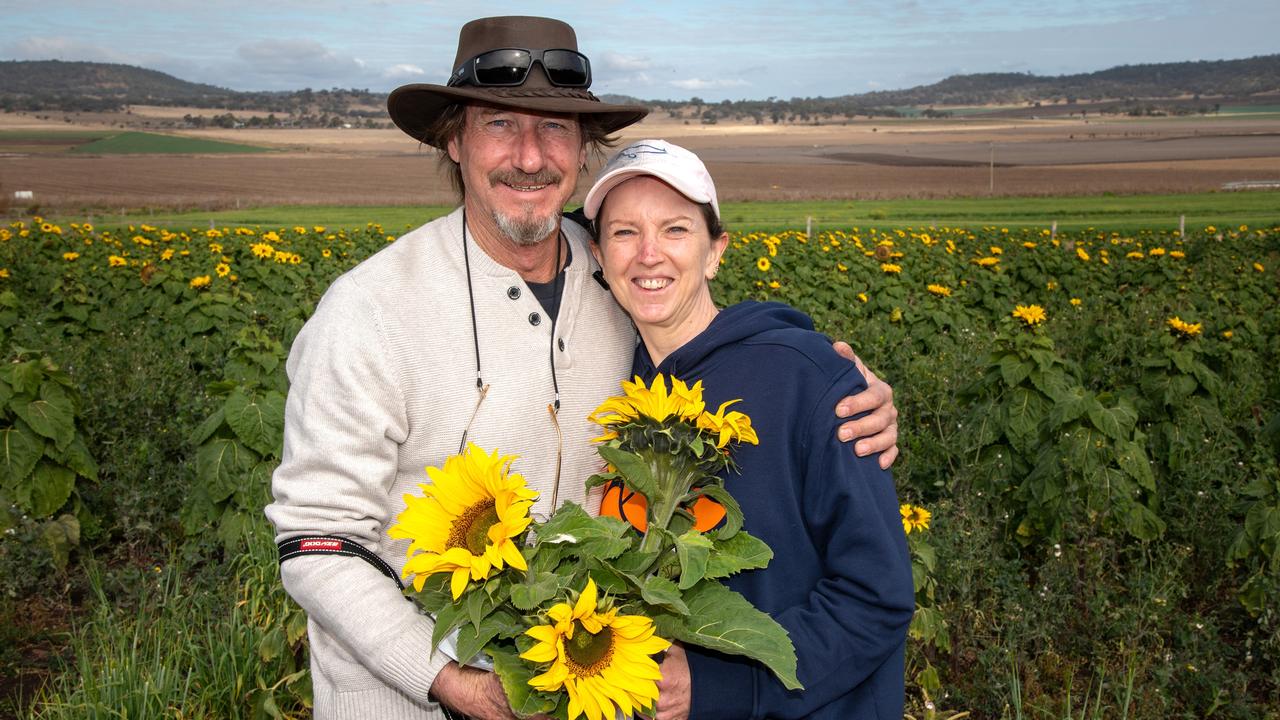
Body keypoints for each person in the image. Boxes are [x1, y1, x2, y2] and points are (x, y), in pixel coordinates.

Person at [265, 16, 901, 720]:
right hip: (408, 702)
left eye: (557, 128)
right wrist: (448, 680)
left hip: (585, 687)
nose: (530, 156)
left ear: (584, 149)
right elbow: (315, 538)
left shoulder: (614, 273)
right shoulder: (370, 311)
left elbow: (717, 337)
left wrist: (841, 383)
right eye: (500, 124)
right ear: (455, 139)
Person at [583, 139, 914, 719]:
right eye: (624, 232)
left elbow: (876, 598)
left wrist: (720, 687)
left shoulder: (806, 380)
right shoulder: (612, 389)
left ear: (716, 252)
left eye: (676, 229)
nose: (649, 254)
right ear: (599, 255)